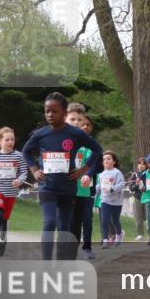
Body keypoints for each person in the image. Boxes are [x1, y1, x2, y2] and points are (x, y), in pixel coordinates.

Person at [21, 92, 103, 261]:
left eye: (54, 111)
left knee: (64, 227)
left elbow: (97, 150)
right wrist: (35, 170)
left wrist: (84, 170)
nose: (50, 114)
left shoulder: (75, 134)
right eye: (47, 111)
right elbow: (26, 151)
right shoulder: (41, 134)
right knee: (49, 222)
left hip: (67, 187)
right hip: (47, 186)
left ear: (64, 113)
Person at [0, 127, 28, 258]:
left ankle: (2, 241)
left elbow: (24, 172)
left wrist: (19, 180)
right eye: (7, 139)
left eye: (12, 139)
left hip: (10, 192)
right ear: (0, 141)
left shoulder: (18, 155)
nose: (10, 142)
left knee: (4, 220)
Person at [66, 106, 96, 259]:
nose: (83, 127)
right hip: (66, 188)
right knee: (67, 221)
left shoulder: (91, 147)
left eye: (86, 124)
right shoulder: (65, 141)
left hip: (86, 190)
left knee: (85, 219)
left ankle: (87, 247)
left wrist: (88, 174)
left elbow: (96, 164)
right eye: (76, 121)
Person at [97, 151, 126, 246]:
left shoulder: (117, 173)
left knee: (115, 221)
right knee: (104, 220)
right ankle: (105, 239)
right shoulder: (101, 174)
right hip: (105, 200)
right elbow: (99, 186)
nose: (106, 160)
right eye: (104, 159)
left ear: (114, 161)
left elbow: (121, 184)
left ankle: (119, 234)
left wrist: (113, 189)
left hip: (116, 202)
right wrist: (95, 189)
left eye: (108, 159)